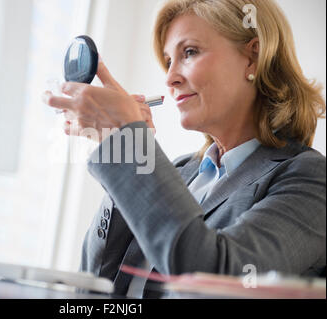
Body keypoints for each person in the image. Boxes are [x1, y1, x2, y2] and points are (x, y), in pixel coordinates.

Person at [42, 0, 326, 298]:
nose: (170, 77)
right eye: (168, 61)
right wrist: (128, 153)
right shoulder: (178, 172)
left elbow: (216, 280)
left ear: (252, 58)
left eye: (189, 52)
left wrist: (128, 140)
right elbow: (94, 287)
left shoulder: (311, 179)